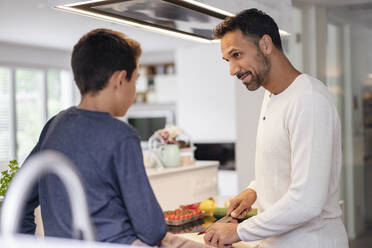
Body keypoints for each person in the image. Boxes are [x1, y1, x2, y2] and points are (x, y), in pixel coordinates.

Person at [20, 28, 206, 248]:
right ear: (120, 80)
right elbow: (152, 229)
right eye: (135, 80)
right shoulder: (121, 135)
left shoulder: (55, 124)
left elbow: (20, 197)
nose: (134, 91)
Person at [203, 9, 349, 248]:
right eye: (228, 60)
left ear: (266, 44)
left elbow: (307, 201)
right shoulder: (272, 95)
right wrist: (254, 190)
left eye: (237, 55)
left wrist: (238, 231)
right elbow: (282, 164)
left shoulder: (309, 100)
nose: (232, 70)